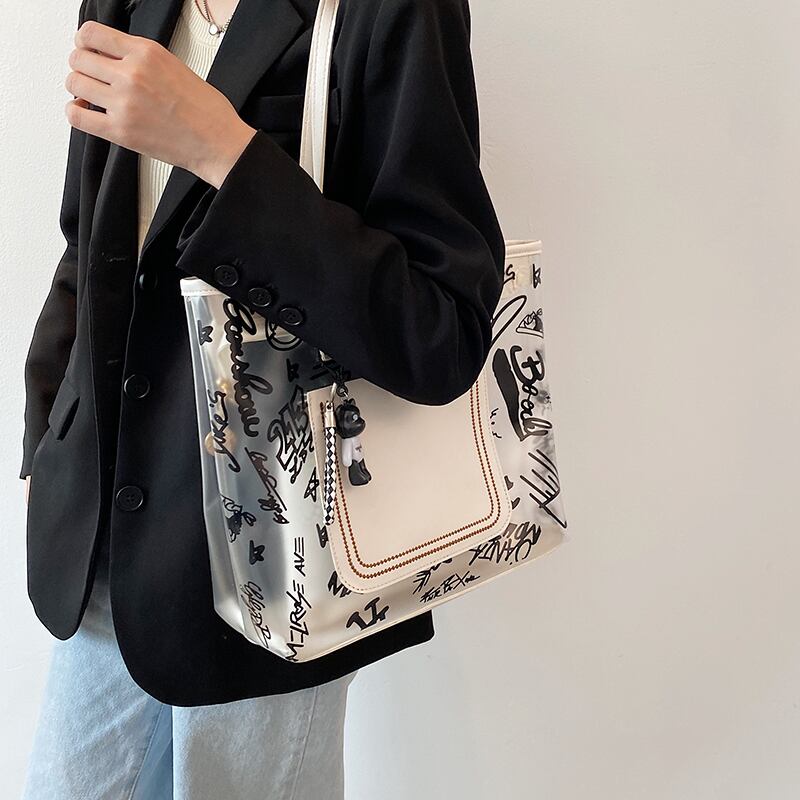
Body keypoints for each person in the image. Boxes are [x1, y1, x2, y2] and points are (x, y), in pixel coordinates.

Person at [19, 0, 506, 796]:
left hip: (281, 561)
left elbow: (440, 331)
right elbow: (90, 242)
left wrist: (223, 151)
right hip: (103, 546)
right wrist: (47, 436)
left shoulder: (395, 12)